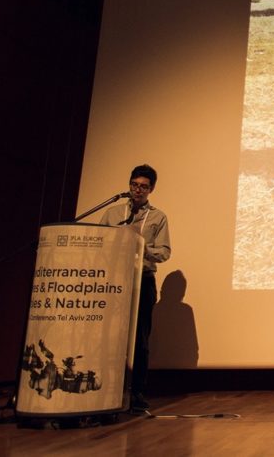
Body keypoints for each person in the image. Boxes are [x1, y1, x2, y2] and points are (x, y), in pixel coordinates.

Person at [101, 164, 171, 411]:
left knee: (140, 338)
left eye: (143, 186)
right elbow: (100, 244)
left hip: (143, 280)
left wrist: (139, 245)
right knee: (109, 336)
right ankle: (106, 389)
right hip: (114, 282)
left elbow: (164, 253)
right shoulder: (111, 214)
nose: (137, 190)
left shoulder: (158, 217)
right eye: (134, 184)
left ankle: (137, 393)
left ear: (151, 189)